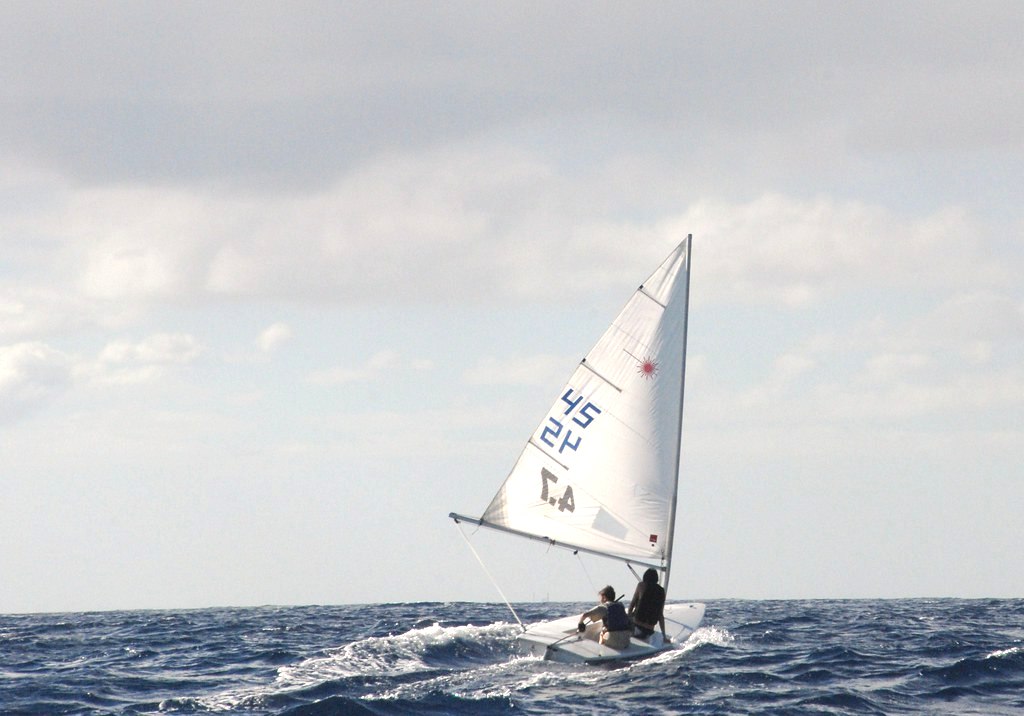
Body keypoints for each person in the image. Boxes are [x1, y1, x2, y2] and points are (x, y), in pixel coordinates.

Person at [628, 568, 668, 643]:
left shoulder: (641, 586)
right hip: (649, 630)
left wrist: (627, 619)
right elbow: (660, 615)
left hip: (637, 625)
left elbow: (631, 606)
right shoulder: (661, 591)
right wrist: (664, 636)